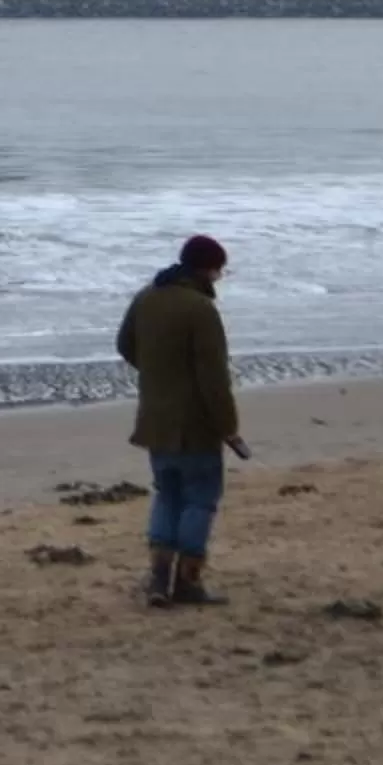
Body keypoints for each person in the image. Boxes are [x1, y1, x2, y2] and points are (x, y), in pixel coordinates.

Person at [114, 233, 246, 607]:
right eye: (219, 270)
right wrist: (229, 427)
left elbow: (124, 344)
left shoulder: (147, 297)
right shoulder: (201, 310)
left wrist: (156, 372)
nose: (219, 277)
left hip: (155, 417)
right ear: (209, 268)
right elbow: (214, 379)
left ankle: (158, 579)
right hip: (196, 424)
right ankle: (187, 582)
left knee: (166, 493)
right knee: (200, 499)